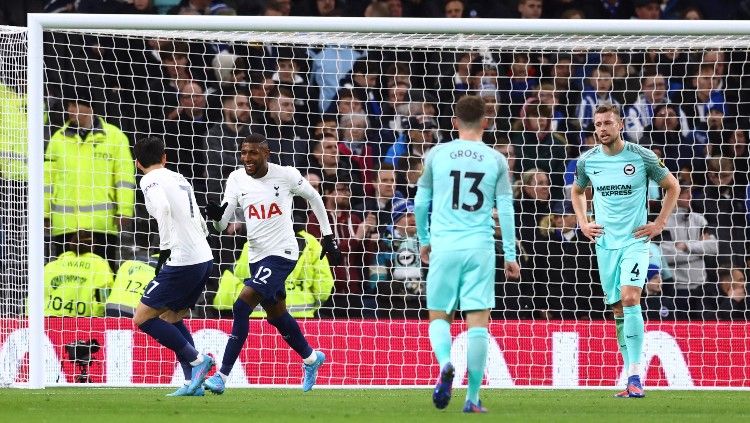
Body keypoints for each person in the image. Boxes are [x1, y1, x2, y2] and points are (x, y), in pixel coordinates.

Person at [202, 133, 342, 394]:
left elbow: (315, 198)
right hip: (257, 256)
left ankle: (222, 375)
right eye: (243, 153)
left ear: (266, 153)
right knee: (276, 315)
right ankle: (312, 358)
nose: (247, 159)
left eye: (253, 153)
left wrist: (328, 236)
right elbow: (222, 225)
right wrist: (215, 218)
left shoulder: (286, 175)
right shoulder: (235, 178)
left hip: (283, 252)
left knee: (241, 305)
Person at [414, 95, 519, 413]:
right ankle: (472, 398)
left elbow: (420, 203)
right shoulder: (496, 160)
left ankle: (446, 363)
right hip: (480, 247)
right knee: (478, 323)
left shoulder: (436, 154)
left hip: (444, 246)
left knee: (439, 316)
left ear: (453, 123)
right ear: (487, 122)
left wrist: (424, 240)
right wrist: (511, 254)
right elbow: (506, 208)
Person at [571, 104, 680, 398]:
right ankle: (631, 376)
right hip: (605, 243)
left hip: (635, 240)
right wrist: (583, 222)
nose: (602, 129)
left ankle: (635, 376)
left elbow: (673, 186)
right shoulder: (587, 162)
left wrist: (659, 223)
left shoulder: (641, 156)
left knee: (630, 297)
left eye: (607, 123)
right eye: (597, 125)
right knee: (618, 309)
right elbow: (577, 190)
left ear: (620, 125)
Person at [132, 136, 215, 397]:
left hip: (183, 259)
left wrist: (166, 248)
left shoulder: (148, 180)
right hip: (204, 257)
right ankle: (193, 383)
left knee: (142, 318)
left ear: (137, 164)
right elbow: (199, 219)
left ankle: (197, 360)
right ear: (165, 157)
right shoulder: (179, 178)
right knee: (171, 317)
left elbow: (164, 208)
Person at [212, 228, 335, 318]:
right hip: (303, 316)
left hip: (259, 315)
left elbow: (242, 274)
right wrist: (313, 305)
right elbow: (324, 285)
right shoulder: (311, 242)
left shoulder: (255, 239)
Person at [43, 230, 114, 317]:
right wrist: (98, 316)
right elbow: (103, 298)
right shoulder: (101, 266)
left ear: (71, 244)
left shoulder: (51, 266)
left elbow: (37, 294)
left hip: (49, 319)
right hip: (83, 321)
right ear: (93, 247)